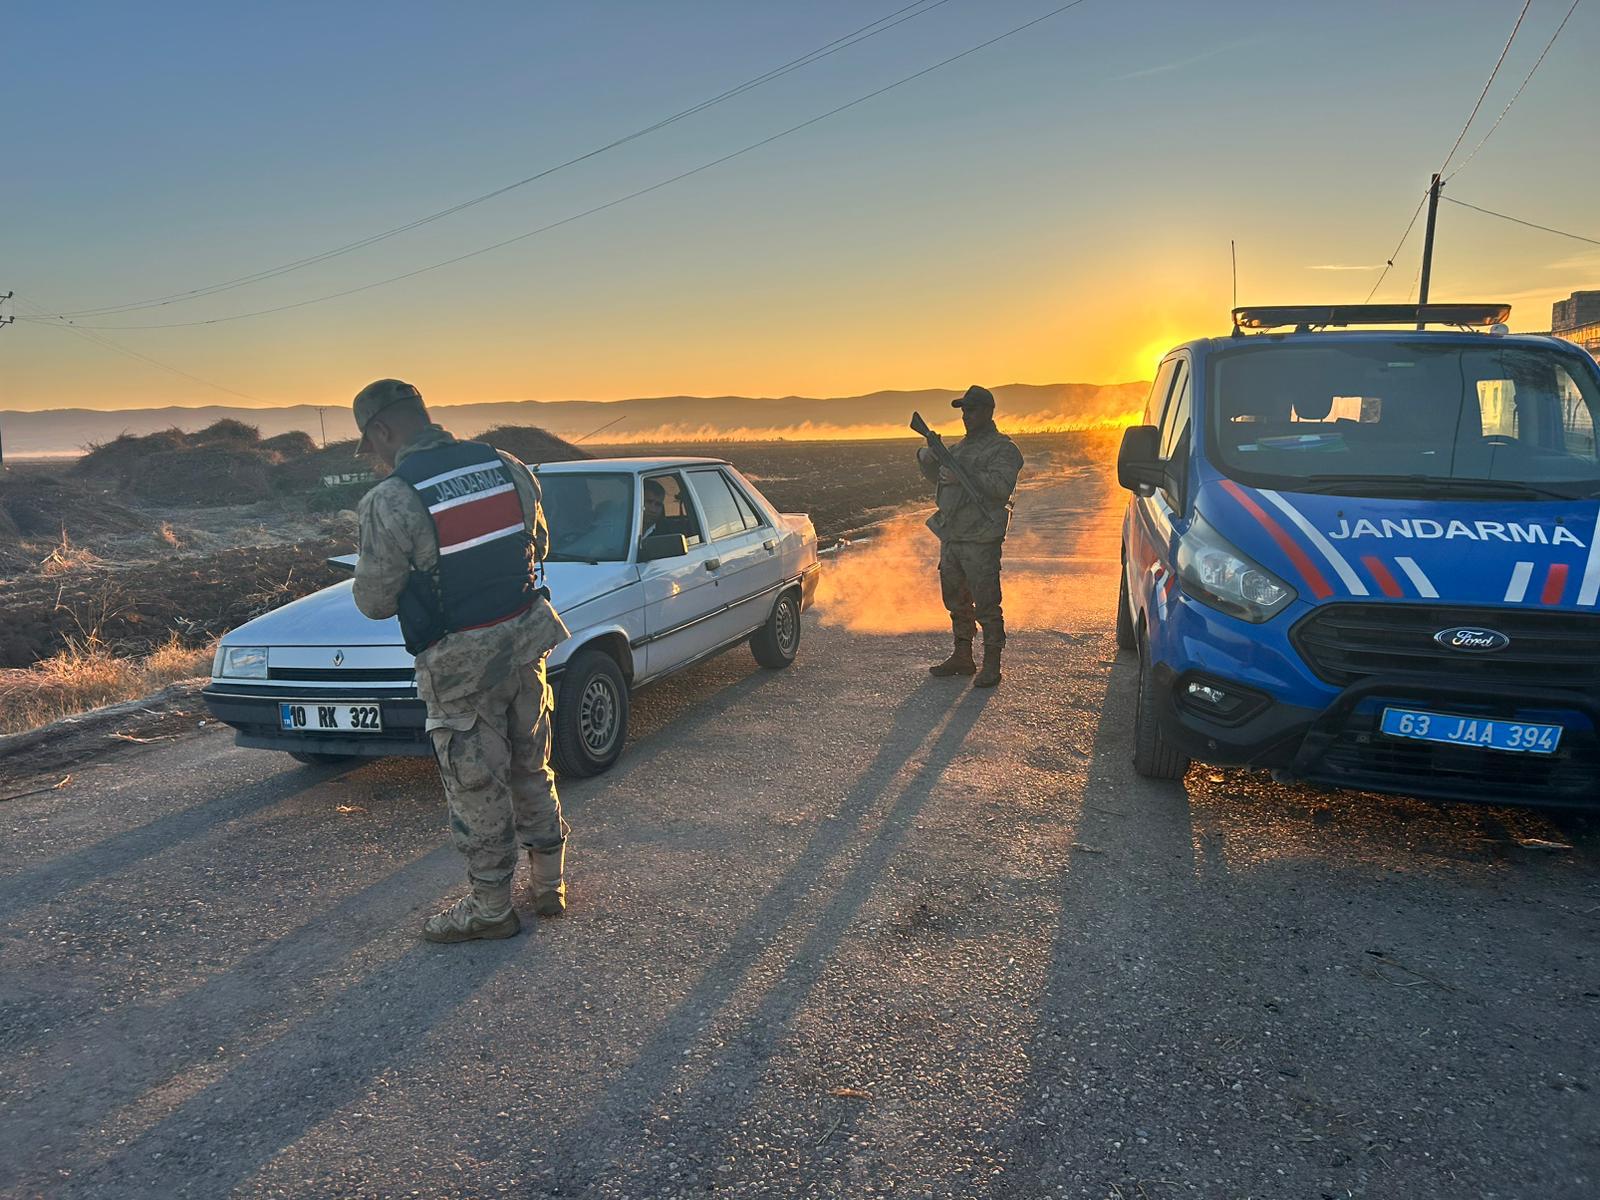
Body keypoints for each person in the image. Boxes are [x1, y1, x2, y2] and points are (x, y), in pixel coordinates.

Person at [349, 378, 572, 943]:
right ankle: (550, 884)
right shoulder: (504, 465)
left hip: (458, 667)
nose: (375, 459)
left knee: (477, 788)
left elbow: (375, 601)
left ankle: (491, 909)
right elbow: (537, 547)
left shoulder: (391, 498)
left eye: (371, 446)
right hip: (524, 645)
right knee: (531, 764)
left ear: (381, 430)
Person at [916, 384, 1024, 688]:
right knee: (955, 599)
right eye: (963, 410)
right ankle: (962, 655)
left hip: (980, 537)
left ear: (988, 412)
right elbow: (938, 479)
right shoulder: (961, 447)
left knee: (987, 602)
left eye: (971, 410)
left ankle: (992, 664)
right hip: (952, 535)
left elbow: (1000, 486)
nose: (965, 416)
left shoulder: (1003, 448)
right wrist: (929, 457)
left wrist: (962, 475)